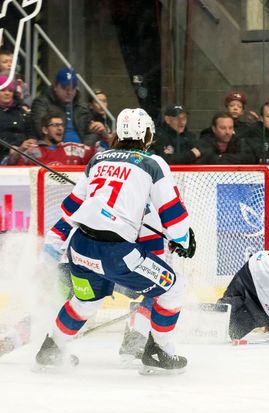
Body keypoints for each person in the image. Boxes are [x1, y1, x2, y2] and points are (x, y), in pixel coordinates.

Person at [36, 108, 196, 374]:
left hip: (80, 248)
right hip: (116, 253)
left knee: (85, 302)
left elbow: (70, 207)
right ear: (146, 134)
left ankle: (51, 348)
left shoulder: (97, 160)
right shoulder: (152, 163)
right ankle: (159, 352)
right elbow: (172, 213)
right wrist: (183, 239)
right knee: (174, 288)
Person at [30, 67, 104, 147]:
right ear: (55, 86)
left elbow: (91, 132)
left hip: (81, 152)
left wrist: (83, 149)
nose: (69, 92)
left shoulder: (82, 107)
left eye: (73, 88)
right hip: (54, 150)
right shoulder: (41, 103)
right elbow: (41, 129)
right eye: (65, 88)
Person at [5, 112, 93, 166]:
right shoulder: (33, 152)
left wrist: (104, 137)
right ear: (45, 130)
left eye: (61, 125)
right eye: (55, 125)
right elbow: (12, 168)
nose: (60, 128)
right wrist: (18, 151)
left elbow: (98, 156)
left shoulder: (74, 149)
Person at [0, 74, 36, 164]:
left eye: (10, 90)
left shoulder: (22, 112)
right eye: (3, 90)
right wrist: (10, 149)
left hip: (24, 154)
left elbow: (31, 134)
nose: (7, 93)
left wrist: (31, 142)